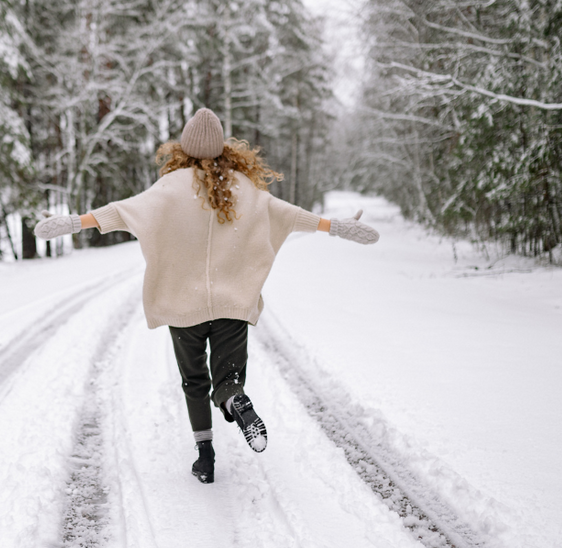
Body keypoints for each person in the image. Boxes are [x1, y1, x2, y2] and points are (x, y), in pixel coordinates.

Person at [34, 108, 378, 484]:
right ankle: (236, 401)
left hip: (184, 309)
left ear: (183, 147)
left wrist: (73, 223)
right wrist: (336, 227)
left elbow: (121, 213)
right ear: (224, 147)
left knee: (194, 381)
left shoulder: (168, 188)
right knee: (227, 377)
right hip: (232, 305)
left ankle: (205, 456)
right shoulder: (245, 188)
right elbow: (288, 215)